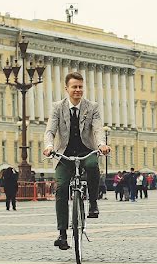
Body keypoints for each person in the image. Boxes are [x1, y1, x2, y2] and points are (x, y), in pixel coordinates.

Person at [43, 71, 110, 251]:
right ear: (67, 88)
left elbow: (97, 129)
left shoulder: (92, 107)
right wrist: (49, 146)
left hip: (86, 150)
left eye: (80, 87)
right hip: (64, 154)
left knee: (93, 166)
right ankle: (62, 233)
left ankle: (93, 203)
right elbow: (50, 130)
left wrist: (102, 144)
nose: (78, 90)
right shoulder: (57, 107)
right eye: (74, 87)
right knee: (61, 188)